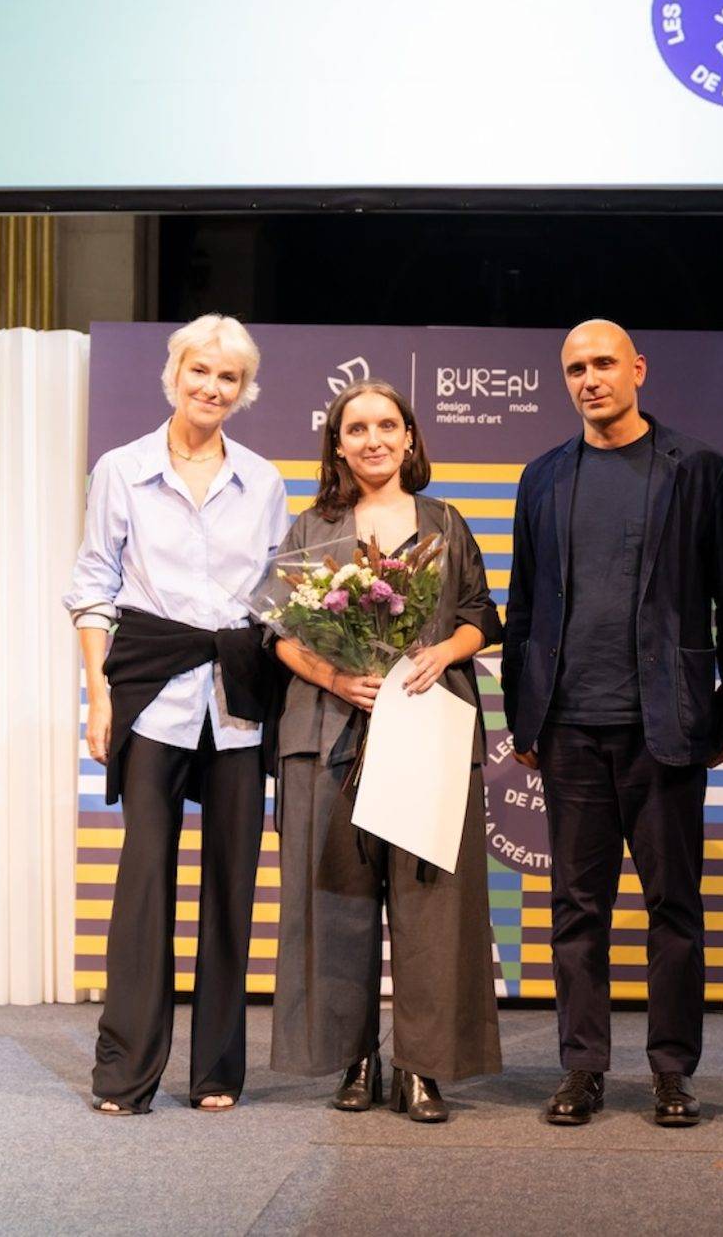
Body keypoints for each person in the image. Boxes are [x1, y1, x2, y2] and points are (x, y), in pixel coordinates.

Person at [502, 318, 723, 1128]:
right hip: (570, 728)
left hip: (665, 728)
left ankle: (672, 1071)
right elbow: (525, 608)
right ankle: (583, 1068)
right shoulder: (542, 477)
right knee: (577, 911)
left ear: (638, 369)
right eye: (575, 367)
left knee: (673, 909)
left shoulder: (699, 470)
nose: (590, 378)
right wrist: (523, 718)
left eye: (604, 363)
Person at [63, 313, 290, 1115]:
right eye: (200, 371)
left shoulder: (262, 481)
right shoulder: (121, 470)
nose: (212, 388)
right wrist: (98, 699)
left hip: (236, 700)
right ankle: (126, 1073)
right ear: (175, 374)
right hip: (150, 697)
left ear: (243, 390)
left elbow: (277, 598)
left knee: (232, 886)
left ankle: (219, 1071)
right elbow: (93, 586)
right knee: (145, 882)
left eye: (228, 377)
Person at [268, 380, 503, 1123]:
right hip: (330, 735)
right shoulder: (311, 529)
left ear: (410, 438)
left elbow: (480, 618)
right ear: (337, 444)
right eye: (356, 427)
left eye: (386, 425)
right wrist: (337, 675)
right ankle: (355, 1060)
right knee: (336, 904)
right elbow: (278, 635)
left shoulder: (446, 522)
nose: (372, 439)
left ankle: (423, 1069)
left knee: (433, 906)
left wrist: (443, 656)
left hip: (427, 733)